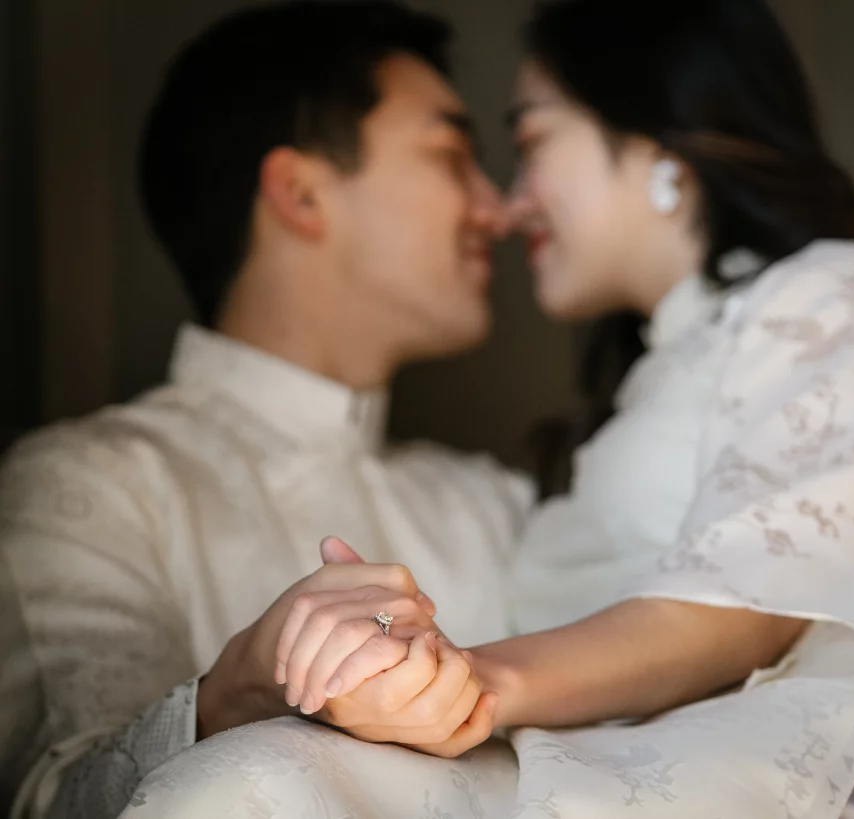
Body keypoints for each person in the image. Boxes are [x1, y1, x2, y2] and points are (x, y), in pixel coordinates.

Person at [120, 1, 854, 818]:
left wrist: (474, 682)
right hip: (607, 757)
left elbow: (747, 601)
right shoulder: (616, 419)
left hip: (828, 766)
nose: (509, 206)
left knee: (250, 785)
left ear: (658, 140)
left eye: (531, 144)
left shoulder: (839, 291)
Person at [0, 3, 532, 817]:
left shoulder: (495, 501)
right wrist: (238, 689)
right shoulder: (89, 485)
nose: (498, 211)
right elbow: (52, 798)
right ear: (300, 192)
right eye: (453, 156)